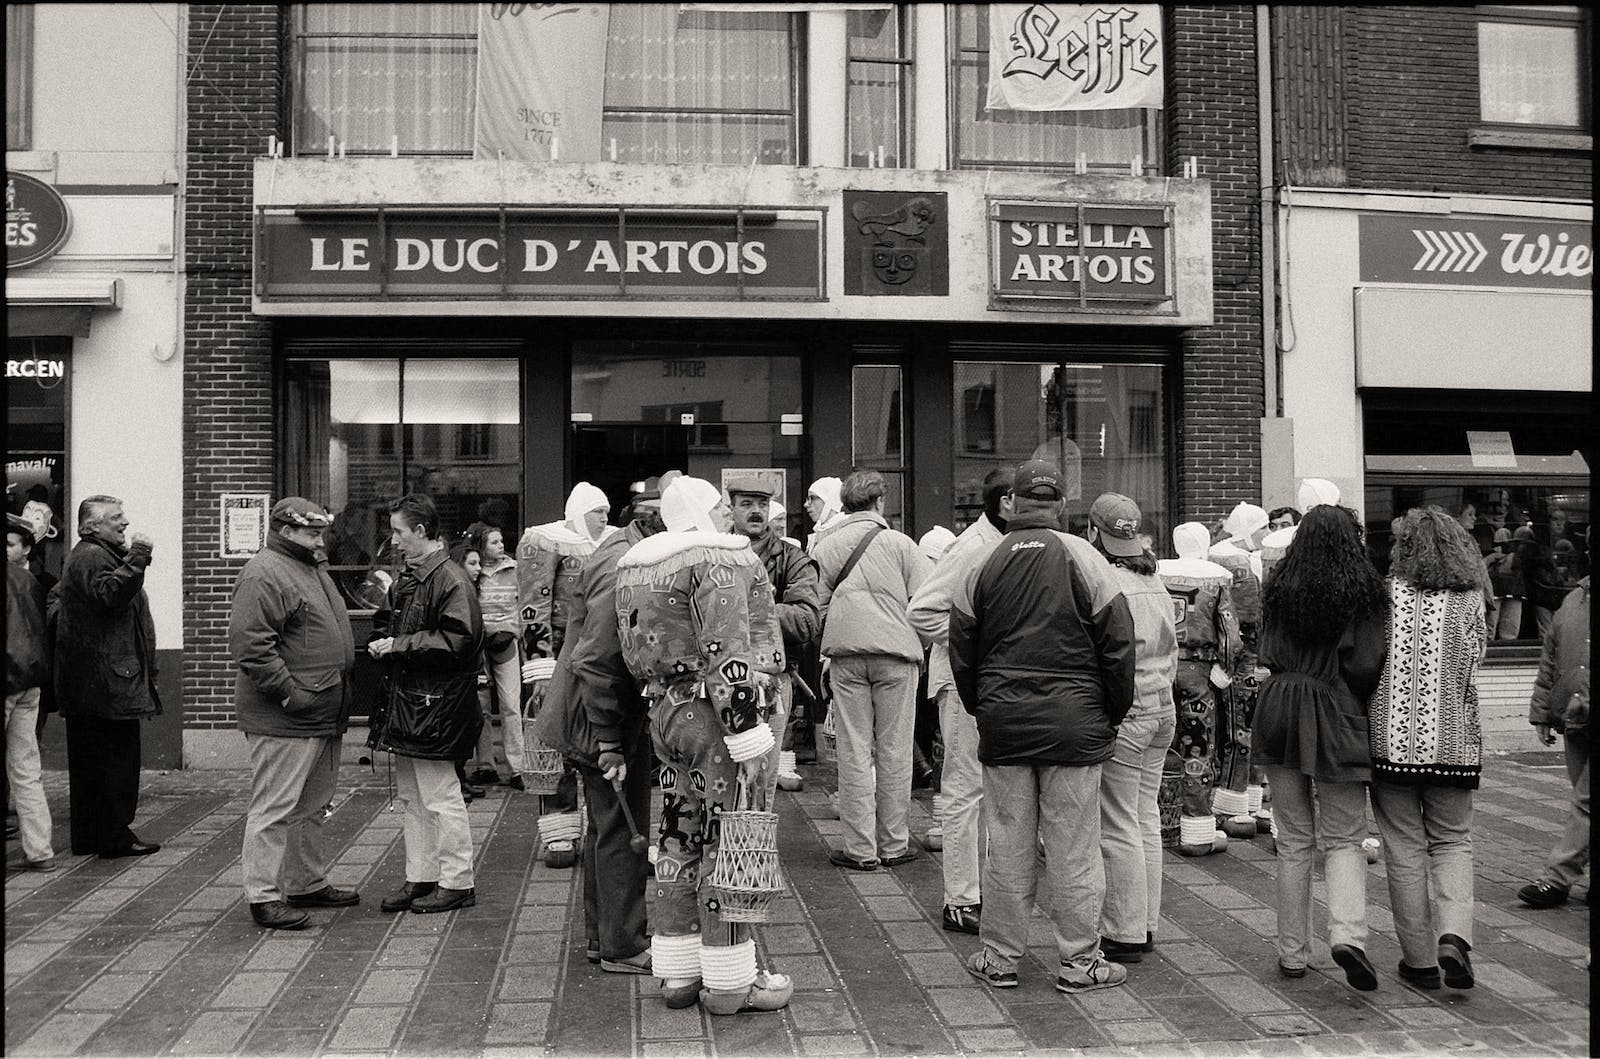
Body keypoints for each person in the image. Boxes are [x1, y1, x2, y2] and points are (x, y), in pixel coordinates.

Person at [950, 460, 1137, 994]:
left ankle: (999, 958)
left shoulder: (981, 560)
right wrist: (1111, 714)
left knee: (1006, 843)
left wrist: (983, 707)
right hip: (1075, 726)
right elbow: (1118, 646)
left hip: (1005, 723)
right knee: (1074, 846)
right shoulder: (1086, 558)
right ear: (1062, 504)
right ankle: (1080, 963)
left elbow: (961, 648)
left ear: (1012, 503)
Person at [615, 475, 793, 1015]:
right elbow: (729, 653)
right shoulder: (722, 559)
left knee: (676, 833)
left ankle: (678, 972)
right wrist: (746, 727)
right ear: (705, 510)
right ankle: (732, 978)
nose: (725, 518)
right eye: (719, 508)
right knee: (731, 835)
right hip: (717, 717)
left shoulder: (637, 564)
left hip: (666, 710)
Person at [1252, 504, 1388, 989]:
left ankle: (1292, 951)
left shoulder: (1279, 587)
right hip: (1335, 708)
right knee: (1345, 836)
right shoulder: (1365, 593)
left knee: (1292, 838)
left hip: (1279, 704)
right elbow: (1367, 663)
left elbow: (1264, 648)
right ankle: (1347, 936)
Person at [535, 488, 661, 976]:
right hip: (599, 716)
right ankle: (623, 945)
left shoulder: (619, 551)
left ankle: (603, 936)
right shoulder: (623, 565)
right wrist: (609, 739)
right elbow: (596, 658)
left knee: (605, 828)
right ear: (655, 524)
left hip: (592, 711)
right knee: (621, 830)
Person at [1368, 507, 1488, 990]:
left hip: (1390, 747)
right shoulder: (1470, 599)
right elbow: (1476, 660)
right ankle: (1454, 938)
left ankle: (1418, 960)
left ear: (1403, 549)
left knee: (1403, 849)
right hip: (1454, 744)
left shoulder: (1384, 597)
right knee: (1453, 842)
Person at [230, 498, 360, 930]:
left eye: (321, 532)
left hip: (318, 711)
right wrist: (289, 695)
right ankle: (263, 896)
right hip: (288, 716)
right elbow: (252, 646)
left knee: (312, 805)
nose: (320, 540)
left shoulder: (309, 566)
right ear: (286, 531)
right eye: (311, 533)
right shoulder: (265, 572)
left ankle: (306, 882)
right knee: (274, 807)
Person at [368, 493, 485, 915]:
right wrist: (392, 639)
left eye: (398, 531)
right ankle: (425, 876)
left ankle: (456, 880)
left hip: (432, 707)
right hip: (420, 704)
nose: (394, 540)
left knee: (437, 796)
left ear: (420, 532)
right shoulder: (425, 576)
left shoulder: (446, 579)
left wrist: (397, 644)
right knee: (416, 798)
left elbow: (460, 641)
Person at [908, 468, 1013, 936]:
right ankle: (960, 899)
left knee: (984, 789)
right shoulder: (971, 547)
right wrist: (972, 644)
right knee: (964, 789)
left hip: (989, 680)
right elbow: (921, 610)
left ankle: (977, 890)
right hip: (963, 681)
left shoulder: (1001, 543)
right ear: (1007, 502)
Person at [811, 470, 931, 871]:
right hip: (897, 656)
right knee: (896, 750)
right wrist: (915, 643)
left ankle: (860, 848)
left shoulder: (827, 546)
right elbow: (926, 603)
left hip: (846, 656)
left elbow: (814, 606)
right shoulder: (901, 544)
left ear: (845, 504)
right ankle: (894, 844)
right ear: (881, 502)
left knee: (854, 750)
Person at [1085, 495, 1178, 963]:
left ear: (1093, 532)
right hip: (1163, 707)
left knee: (1118, 821)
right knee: (1144, 818)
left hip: (1128, 710)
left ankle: (1124, 931)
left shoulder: (1104, 581)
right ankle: (1144, 922)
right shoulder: (1154, 579)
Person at [54, 495, 163, 858]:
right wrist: (139, 556)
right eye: (116, 518)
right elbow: (111, 595)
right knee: (117, 762)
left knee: (90, 764)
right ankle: (115, 837)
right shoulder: (92, 556)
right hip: (108, 684)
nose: (125, 523)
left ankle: (90, 836)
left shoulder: (88, 555)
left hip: (92, 681)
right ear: (92, 525)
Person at [518, 483, 618, 868]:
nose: (605, 517)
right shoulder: (546, 540)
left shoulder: (612, 543)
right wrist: (540, 664)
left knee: (599, 735)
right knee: (555, 739)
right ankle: (559, 831)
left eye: (607, 510)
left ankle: (601, 826)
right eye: (597, 511)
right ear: (579, 513)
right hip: (559, 650)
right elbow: (532, 602)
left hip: (601, 650)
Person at [728, 478, 821, 797]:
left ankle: (754, 846)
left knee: (760, 785)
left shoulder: (792, 560)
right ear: (731, 509)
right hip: (717, 682)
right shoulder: (712, 553)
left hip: (772, 683)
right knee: (720, 778)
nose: (756, 511)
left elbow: (808, 620)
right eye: (747, 504)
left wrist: (757, 605)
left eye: (762, 504)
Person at [1158, 524, 1242, 857]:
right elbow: (1230, 633)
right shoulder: (1218, 577)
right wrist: (1226, 667)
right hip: (1199, 670)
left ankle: (1163, 823)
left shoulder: (1159, 571)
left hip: (1163, 667)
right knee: (1198, 747)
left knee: (1162, 745)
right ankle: (1196, 828)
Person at [1518, 544, 1589, 910]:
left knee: (1585, 800)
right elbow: (1550, 659)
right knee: (1582, 795)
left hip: (1584, 710)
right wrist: (1543, 714)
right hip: (1575, 720)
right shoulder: (1572, 602)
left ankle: (1558, 878)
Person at [6, 513, 54, 872]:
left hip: (7, 678)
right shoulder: (29, 580)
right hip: (30, 679)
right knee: (26, 768)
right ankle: (39, 849)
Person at [472, 522, 525, 792]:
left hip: (505, 640)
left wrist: (513, 630)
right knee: (480, 707)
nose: (501, 546)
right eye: (494, 542)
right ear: (481, 547)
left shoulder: (514, 570)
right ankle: (485, 764)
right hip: (479, 643)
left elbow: (522, 603)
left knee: (510, 705)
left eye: (502, 541)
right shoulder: (473, 572)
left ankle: (517, 767)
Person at [451, 536, 492, 802]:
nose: (478, 568)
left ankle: (461, 778)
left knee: (473, 721)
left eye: (479, 563)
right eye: (473, 563)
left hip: (477, 663)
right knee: (462, 723)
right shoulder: (459, 591)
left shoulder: (472, 591)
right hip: (464, 669)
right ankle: (457, 780)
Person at [804, 476, 845, 553]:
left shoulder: (844, 531)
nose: (806, 504)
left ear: (828, 499)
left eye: (812, 498)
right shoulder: (820, 530)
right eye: (807, 499)